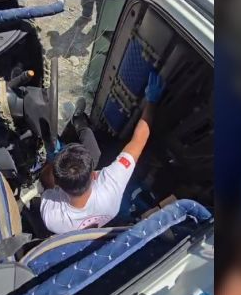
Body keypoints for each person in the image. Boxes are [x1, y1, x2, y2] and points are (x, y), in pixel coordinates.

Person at [39, 71, 165, 234]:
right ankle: (79, 121)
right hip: (104, 208)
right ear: (94, 175)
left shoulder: (52, 218)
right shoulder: (110, 186)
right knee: (94, 149)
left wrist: (53, 158)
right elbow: (138, 141)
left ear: (58, 184)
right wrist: (151, 101)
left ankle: (76, 122)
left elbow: (45, 182)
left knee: (91, 149)